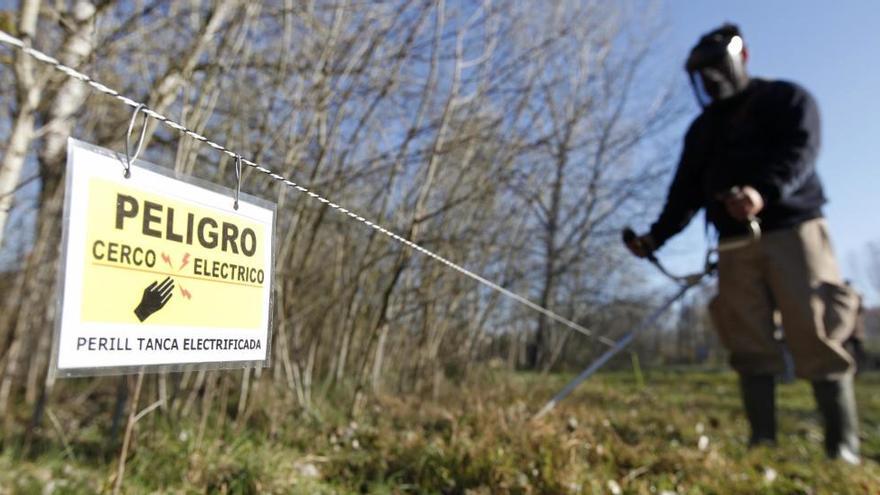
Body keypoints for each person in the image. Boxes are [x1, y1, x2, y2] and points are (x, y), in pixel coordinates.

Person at [625, 23, 861, 463]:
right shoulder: (701, 131)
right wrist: (655, 237)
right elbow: (685, 194)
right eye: (702, 73)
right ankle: (763, 445)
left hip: (794, 232)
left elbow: (801, 153)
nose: (711, 80)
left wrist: (761, 192)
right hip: (733, 246)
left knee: (815, 330)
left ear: (742, 59)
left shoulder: (786, 100)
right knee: (748, 340)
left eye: (717, 68)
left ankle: (841, 447)